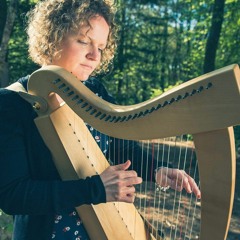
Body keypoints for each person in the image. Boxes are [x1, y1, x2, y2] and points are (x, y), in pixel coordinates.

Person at [0, 0, 201, 239]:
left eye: (102, 47)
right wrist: (95, 189)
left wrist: (156, 170)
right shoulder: (11, 103)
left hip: (105, 227)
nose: (94, 56)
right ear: (52, 37)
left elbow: (119, 146)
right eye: (84, 41)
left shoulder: (93, 91)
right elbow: (13, 196)